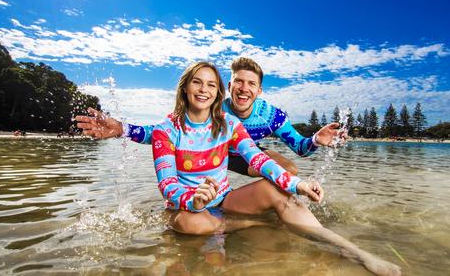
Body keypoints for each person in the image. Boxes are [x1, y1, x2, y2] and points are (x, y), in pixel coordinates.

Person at [76, 61, 400, 276]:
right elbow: (166, 180)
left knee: (281, 182)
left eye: (210, 86)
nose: (204, 90)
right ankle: (255, 224)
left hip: (228, 184)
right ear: (187, 88)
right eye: (198, 84)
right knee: (188, 223)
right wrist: (122, 129)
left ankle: (351, 250)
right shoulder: (168, 129)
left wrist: (296, 183)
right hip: (192, 202)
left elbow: (259, 159)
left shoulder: (240, 121)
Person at [76, 57, 343, 177]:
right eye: (239, 82)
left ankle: (267, 213)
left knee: (290, 170)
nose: (244, 89)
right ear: (229, 85)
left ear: (260, 90)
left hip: (241, 157)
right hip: (202, 157)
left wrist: (316, 140)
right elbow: (161, 133)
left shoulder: (271, 117)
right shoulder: (211, 108)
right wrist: (121, 128)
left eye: (251, 84)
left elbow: (300, 149)